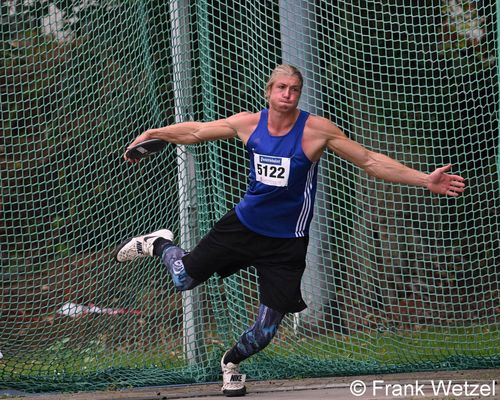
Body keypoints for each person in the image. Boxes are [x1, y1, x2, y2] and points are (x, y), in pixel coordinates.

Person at [114, 64, 466, 397]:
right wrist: (155, 134)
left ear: (299, 94)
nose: (288, 94)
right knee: (182, 280)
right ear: (269, 92)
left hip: (286, 244)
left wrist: (425, 180)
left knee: (265, 332)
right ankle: (159, 243)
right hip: (242, 227)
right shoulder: (250, 124)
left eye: (295, 89)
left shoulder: (317, 131)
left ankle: (231, 363)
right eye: (281, 88)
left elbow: (370, 161)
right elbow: (196, 131)